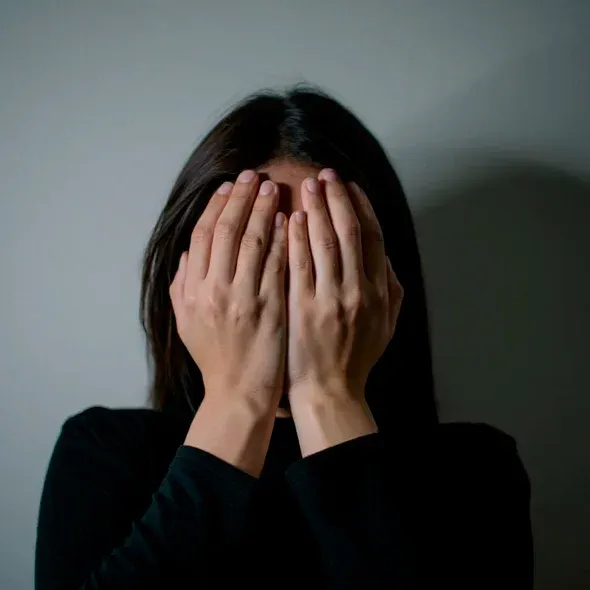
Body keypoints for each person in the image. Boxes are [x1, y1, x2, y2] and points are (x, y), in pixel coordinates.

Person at [34, 86, 533, 589]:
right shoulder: (105, 454)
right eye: (249, 262)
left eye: (324, 261)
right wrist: (237, 397)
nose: (289, 301)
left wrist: (328, 394)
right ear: (186, 286)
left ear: (386, 286)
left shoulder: (476, 471)